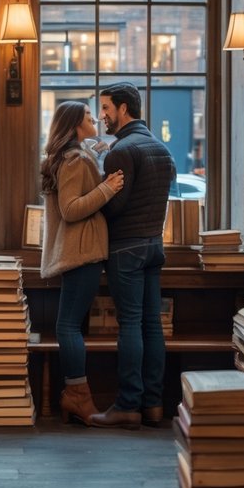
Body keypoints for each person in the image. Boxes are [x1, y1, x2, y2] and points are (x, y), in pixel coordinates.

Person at [91, 82, 175, 429]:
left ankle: (127, 405)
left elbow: (115, 206)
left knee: (129, 326)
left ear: (124, 108)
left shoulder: (121, 150)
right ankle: (154, 406)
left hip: (125, 248)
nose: (102, 116)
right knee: (151, 325)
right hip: (154, 245)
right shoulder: (160, 148)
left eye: (107, 108)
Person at [39, 101, 124, 426]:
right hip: (81, 251)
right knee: (69, 326)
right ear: (76, 124)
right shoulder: (74, 159)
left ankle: (75, 393)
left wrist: (97, 156)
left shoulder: (74, 154)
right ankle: (77, 395)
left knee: (68, 324)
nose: (95, 120)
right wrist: (107, 187)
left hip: (78, 251)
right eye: (89, 117)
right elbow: (72, 208)